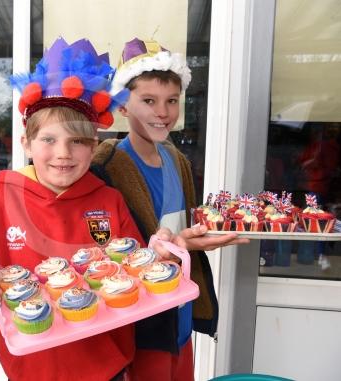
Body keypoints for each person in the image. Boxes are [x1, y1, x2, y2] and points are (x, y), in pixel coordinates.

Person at [0, 37, 150, 381]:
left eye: (77, 141)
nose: (63, 153)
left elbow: (137, 270)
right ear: (26, 143)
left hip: (106, 368)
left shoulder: (109, 201)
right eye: (49, 139)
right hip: (31, 369)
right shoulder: (2, 199)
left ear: (94, 146)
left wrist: (160, 258)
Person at [90, 38, 247, 380]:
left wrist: (200, 236)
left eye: (171, 101)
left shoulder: (178, 161)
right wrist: (179, 245)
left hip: (179, 316)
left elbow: (182, 229)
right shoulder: (106, 166)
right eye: (148, 101)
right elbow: (104, 254)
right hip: (141, 325)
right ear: (122, 107)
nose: (162, 112)